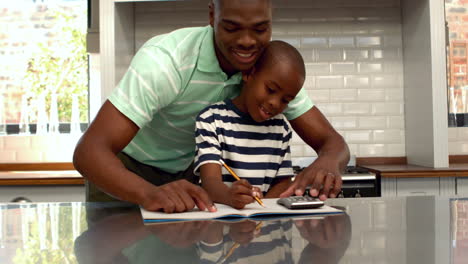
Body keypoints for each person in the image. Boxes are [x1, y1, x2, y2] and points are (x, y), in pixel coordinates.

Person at [73, 0, 350, 213]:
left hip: (186, 176)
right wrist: (148, 193)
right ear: (211, 16)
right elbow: (89, 152)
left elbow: (333, 143)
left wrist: (327, 161)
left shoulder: (266, 68)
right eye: (231, 27)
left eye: (260, 29)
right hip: (125, 172)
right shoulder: (166, 61)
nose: (247, 41)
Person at [194, 40, 305, 209]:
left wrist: (262, 208)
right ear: (248, 74)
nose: (275, 103)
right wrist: (230, 196)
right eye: (270, 90)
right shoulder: (211, 120)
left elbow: (283, 182)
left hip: (268, 229)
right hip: (224, 227)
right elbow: (210, 182)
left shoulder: (281, 128)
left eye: (285, 100)